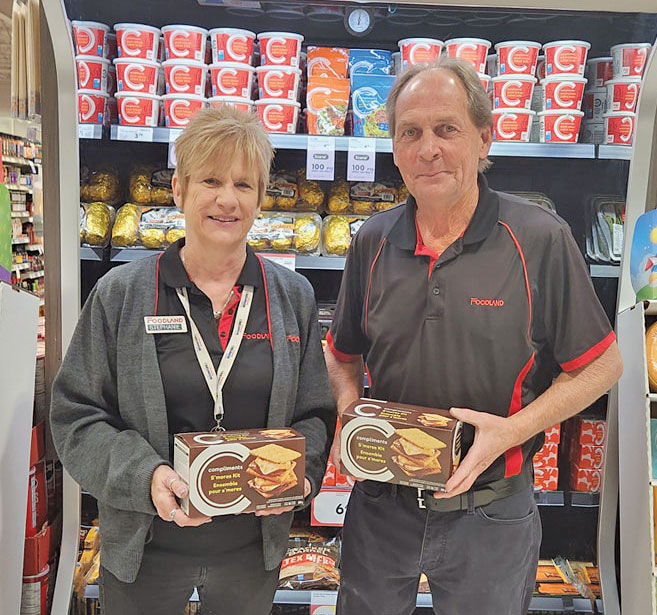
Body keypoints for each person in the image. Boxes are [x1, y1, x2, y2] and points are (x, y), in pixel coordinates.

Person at [325, 57, 623, 615]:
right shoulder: (372, 239)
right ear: (394, 148)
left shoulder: (539, 238)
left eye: (447, 129)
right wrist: (349, 414)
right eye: (410, 132)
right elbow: (341, 354)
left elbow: (602, 366)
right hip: (381, 507)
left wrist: (512, 431)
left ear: (484, 138)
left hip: (491, 513)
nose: (427, 149)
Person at [50, 105, 336, 615]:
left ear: (260, 198)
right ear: (180, 190)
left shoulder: (292, 296)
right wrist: (146, 478)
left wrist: (300, 475)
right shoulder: (120, 294)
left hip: (251, 556)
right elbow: (76, 417)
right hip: (145, 551)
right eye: (210, 180)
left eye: (244, 185)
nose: (227, 199)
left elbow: (315, 413)